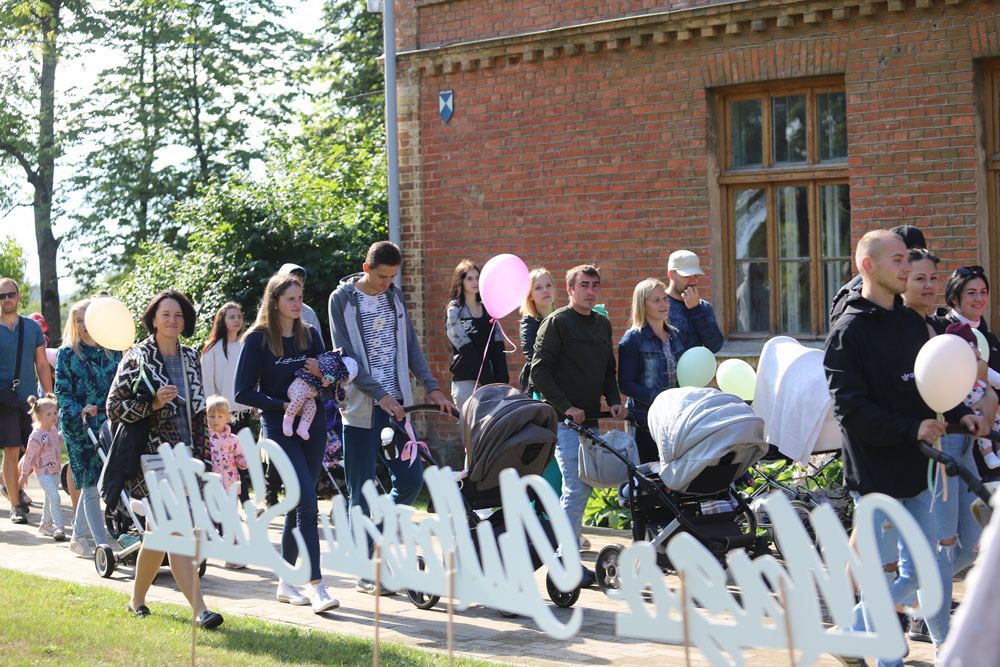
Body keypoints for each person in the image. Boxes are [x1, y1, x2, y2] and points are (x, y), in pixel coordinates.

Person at [824, 230, 988, 663]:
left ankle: (849, 631)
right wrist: (910, 428)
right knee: (881, 579)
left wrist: (956, 417)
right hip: (876, 476)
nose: (906, 267)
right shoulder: (848, 330)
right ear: (868, 266)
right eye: (897, 260)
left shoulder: (910, 323)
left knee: (921, 575)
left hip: (918, 472)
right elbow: (850, 410)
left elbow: (923, 390)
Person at [328, 240, 455, 595]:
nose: (387, 283)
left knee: (412, 480)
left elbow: (411, 345)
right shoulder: (342, 300)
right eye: (382, 276)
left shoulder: (394, 296)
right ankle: (366, 571)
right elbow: (345, 356)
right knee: (362, 489)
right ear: (367, 269)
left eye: (393, 277)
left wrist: (431, 387)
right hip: (361, 410)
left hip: (399, 407)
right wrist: (378, 394)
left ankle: (374, 534)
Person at [106, 289, 224, 629]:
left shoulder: (190, 357)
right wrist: (152, 404)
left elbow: (199, 411)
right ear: (153, 319)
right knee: (174, 531)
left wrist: (205, 457)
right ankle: (200, 610)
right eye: (165, 314)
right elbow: (114, 407)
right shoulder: (137, 357)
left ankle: (136, 600)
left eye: (178, 315)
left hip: (188, 457)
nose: (172, 320)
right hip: (152, 458)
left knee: (158, 534)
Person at [235, 274, 339, 613]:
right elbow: (242, 392)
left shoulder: (310, 335)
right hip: (279, 428)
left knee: (298, 505)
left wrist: (323, 374)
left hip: (314, 425)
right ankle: (317, 585)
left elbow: (329, 383)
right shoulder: (257, 340)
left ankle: (285, 581)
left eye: (300, 297)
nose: (298, 304)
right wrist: (281, 405)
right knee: (308, 501)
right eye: (291, 299)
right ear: (275, 300)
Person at [530, 265, 626, 583]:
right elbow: (539, 372)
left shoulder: (601, 325)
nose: (590, 291)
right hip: (563, 422)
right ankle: (565, 558)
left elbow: (608, 372)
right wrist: (567, 407)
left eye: (595, 286)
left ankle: (564, 553)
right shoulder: (556, 323)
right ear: (570, 290)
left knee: (582, 487)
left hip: (592, 422)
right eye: (583, 285)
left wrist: (613, 400)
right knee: (576, 486)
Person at [54, 298, 121, 558]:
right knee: (90, 484)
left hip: (107, 424)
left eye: (87, 319)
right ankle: (102, 544)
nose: (83, 325)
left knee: (99, 480)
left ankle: (77, 536)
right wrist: (79, 410)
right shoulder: (67, 353)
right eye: (78, 320)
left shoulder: (112, 350)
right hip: (79, 427)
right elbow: (62, 392)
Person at [1, 277, 51, 525]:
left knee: (33, 448)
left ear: (19, 296)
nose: (6, 299)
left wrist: (49, 395)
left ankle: (10, 485)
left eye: (10, 295)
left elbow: (42, 363)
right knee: (10, 450)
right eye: (2, 296)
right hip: (3, 401)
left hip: (30, 400)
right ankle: (15, 505)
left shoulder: (31, 328)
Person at [617, 278, 682, 464]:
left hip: (674, 420)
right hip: (645, 421)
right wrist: (658, 398)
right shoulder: (633, 339)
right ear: (643, 305)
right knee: (649, 479)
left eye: (665, 299)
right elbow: (625, 384)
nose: (664, 304)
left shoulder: (674, 335)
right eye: (656, 300)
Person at [518, 268, 562, 498]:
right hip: (542, 396)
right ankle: (543, 515)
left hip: (567, 394)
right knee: (550, 458)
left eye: (548, 285)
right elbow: (535, 359)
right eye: (538, 287)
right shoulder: (529, 323)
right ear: (530, 296)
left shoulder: (564, 318)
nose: (545, 291)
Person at [830, 224, 927, 327]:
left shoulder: (908, 315)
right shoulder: (852, 310)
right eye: (898, 259)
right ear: (869, 264)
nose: (908, 268)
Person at [445, 259, 509, 409]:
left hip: (492, 382)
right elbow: (466, 349)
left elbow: (498, 346)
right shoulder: (455, 311)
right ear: (460, 282)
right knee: (471, 431)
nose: (475, 282)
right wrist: (488, 380)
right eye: (469, 278)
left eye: (477, 277)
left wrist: (502, 382)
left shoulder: (489, 308)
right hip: (467, 382)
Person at [205, 395, 250, 570]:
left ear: (227, 418)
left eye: (220, 416)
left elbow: (241, 461)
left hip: (230, 487)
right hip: (211, 487)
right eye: (211, 416)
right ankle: (198, 552)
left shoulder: (234, 440)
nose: (215, 420)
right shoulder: (206, 439)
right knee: (208, 521)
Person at [19, 394, 66, 541]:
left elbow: (57, 440)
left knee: (49, 497)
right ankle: (59, 526)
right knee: (55, 496)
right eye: (49, 414)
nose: (54, 417)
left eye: (54, 413)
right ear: (39, 417)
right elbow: (29, 456)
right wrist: (24, 474)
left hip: (55, 471)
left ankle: (45, 524)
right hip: (43, 472)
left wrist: (65, 433)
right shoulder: (37, 436)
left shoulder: (51, 431)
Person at [282, 349, 356, 439]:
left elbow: (339, 393)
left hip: (309, 395)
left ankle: (303, 427)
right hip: (301, 384)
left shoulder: (336, 381)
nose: (341, 381)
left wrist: (342, 403)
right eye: (342, 379)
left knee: (312, 408)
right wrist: (327, 376)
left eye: (343, 380)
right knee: (298, 398)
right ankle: (288, 421)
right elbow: (326, 365)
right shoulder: (331, 361)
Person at [665, 250, 723, 355]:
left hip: (695, 370)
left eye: (696, 276)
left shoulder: (703, 307)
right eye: (687, 276)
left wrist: (696, 310)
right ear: (671, 275)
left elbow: (715, 346)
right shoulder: (660, 306)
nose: (693, 281)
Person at [278, 263, 323, 333]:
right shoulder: (268, 312)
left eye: (301, 280)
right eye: (292, 280)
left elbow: (318, 342)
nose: (298, 284)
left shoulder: (309, 313)